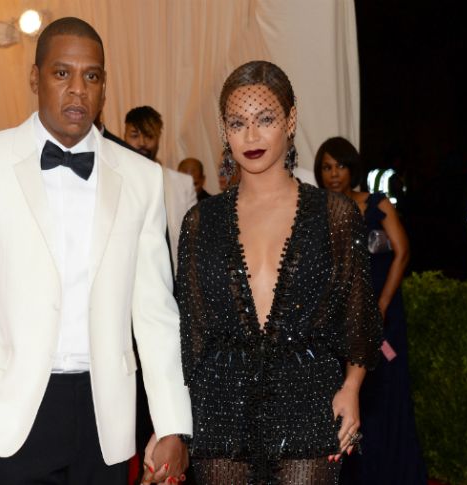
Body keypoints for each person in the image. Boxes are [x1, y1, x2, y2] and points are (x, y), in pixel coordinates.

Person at [0, 17, 191, 485]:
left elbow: (155, 312)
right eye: (61, 73)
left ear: (104, 87)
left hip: (105, 414)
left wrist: (171, 423)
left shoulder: (144, 180)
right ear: (35, 77)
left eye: (91, 76)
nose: (77, 90)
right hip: (7, 410)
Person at [174, 61, 382, 484]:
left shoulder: (334, 215)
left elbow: (359, 314)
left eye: (265, 119)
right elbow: (190, 332)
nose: (251, 136)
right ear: (224, 130)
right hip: (221, 406)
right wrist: (176, 423)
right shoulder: (200, 222)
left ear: (290, 120)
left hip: (309, 398)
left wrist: (352, 387)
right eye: (238, 123)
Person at [314, 136, 427, 485]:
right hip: (339, 322)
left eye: (341, 165)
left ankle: (392, 473)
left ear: (353, 168)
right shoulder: (316, 209)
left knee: (386, 391)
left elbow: (403, 253)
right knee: (347, 394)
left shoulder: (377, 204)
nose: (334, 174)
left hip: (383, 316)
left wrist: (381, 304)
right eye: (327, 167)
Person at [123, 106, 197, 270]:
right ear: (124, 136)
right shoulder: (115, 180)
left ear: (158, 138)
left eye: (149, 136)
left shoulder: (183, 184)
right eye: (135, 135)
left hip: (173, 276)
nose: (142, 143)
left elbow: (192, 241)